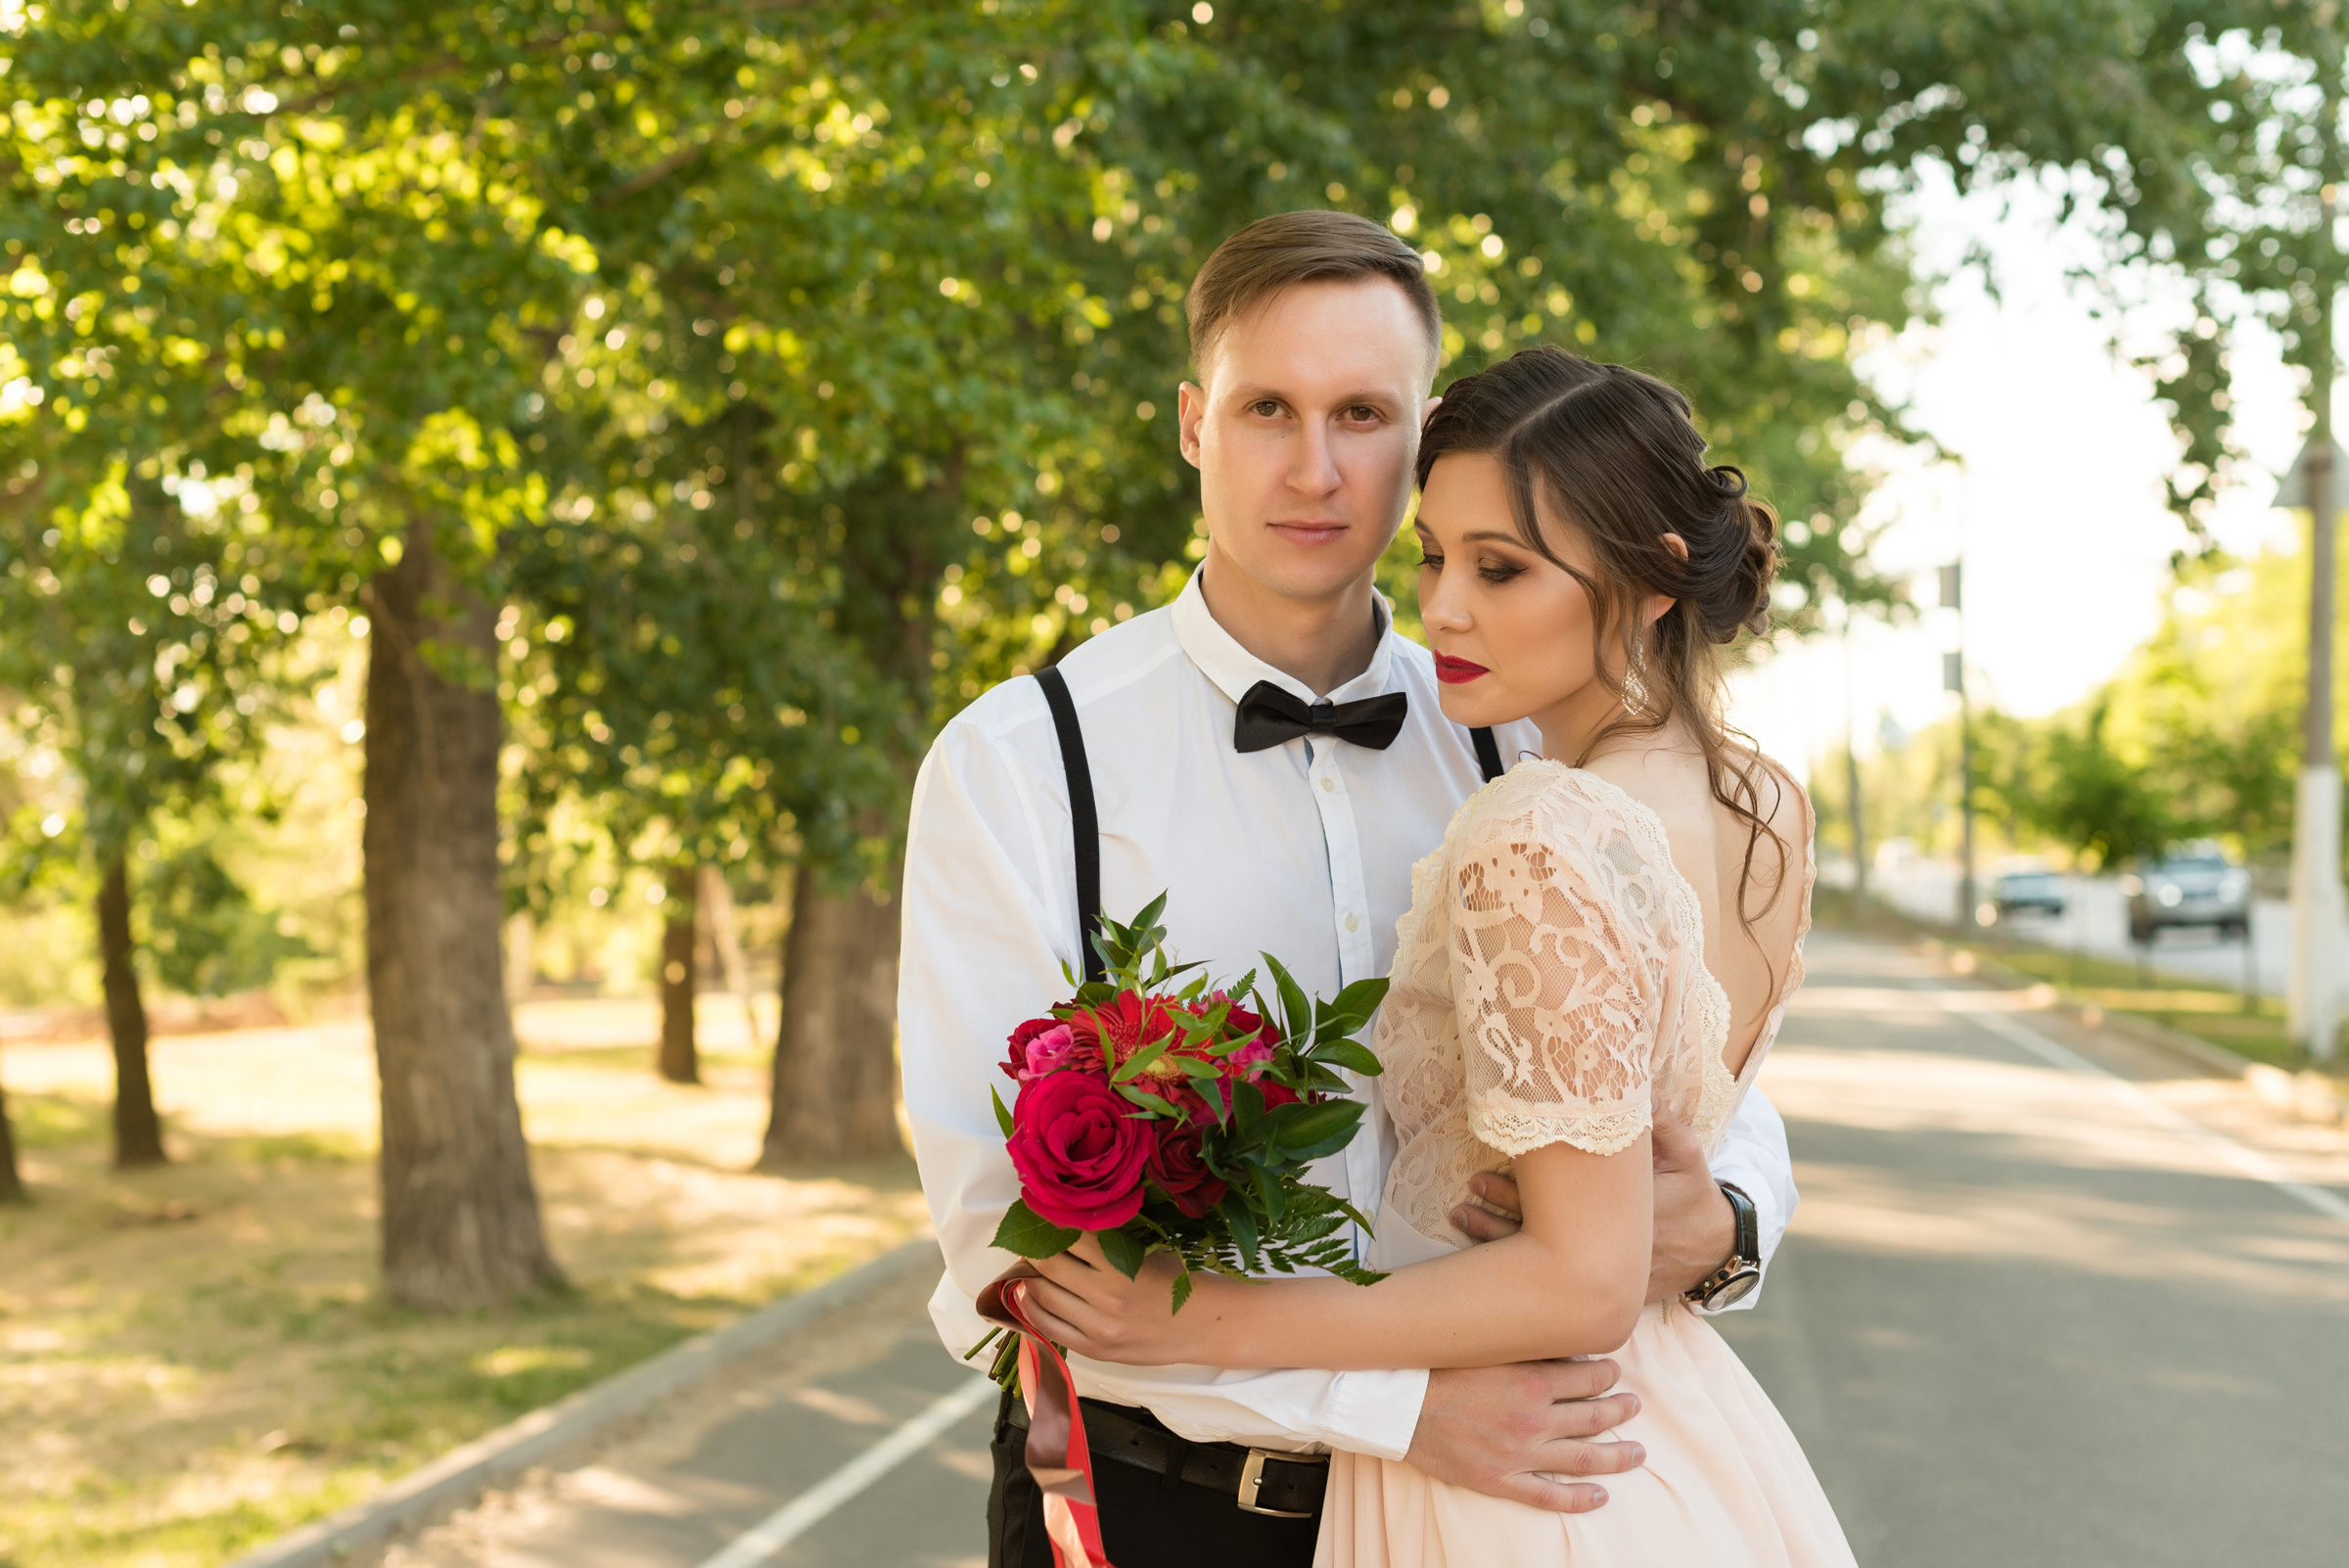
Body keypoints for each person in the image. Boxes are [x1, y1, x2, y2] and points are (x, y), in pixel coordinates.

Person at [898, 212, 1802, 1568]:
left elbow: (1689, 1069)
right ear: (1196, 423)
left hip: (1507, 1501)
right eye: (1270, 407)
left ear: (1422, 435)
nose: (1315, 468)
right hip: (1155, 1508)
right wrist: (1397, 1408)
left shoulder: (1531, 732)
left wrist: (1728, 1218)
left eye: (1362, 413)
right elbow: (1004, 1251)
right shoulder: (1022, 762)